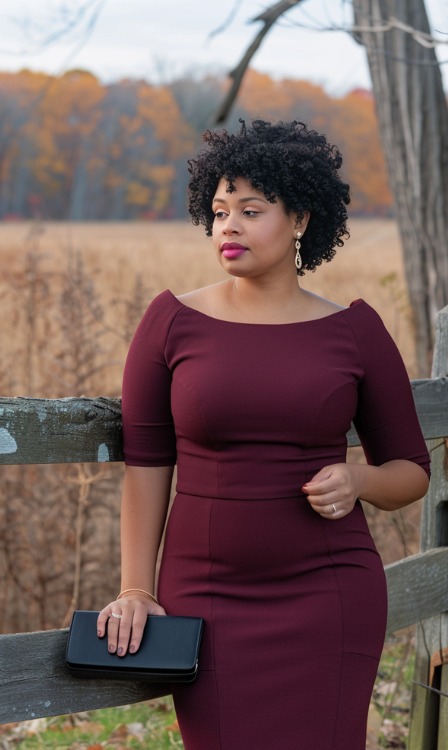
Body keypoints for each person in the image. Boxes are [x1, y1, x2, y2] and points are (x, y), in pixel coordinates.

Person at [97, 119, 430, 749]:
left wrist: (359, 479)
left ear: (301, 218)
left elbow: (411, 470)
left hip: (329, 595)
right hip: (207, 596)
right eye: (220, 210)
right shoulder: (170, 322)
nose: (229, 226)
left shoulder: (355, 331)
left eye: (251, 210)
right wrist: (136, 589)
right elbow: (145, 466)